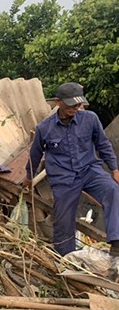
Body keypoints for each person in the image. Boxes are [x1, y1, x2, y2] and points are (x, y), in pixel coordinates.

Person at [24, 82, 119, 256]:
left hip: (90, 170)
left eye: (78, 104)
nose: (76, 108)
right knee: (63, 221)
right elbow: (35, 155)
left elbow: (103, 144)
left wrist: (114, 169)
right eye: (71, 104)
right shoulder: (44, 128)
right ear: (58, 102)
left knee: (113, 190)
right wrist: (29, 177)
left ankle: (116, 242)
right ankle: (65, 259)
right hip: (63, 178)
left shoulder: (90, 119)